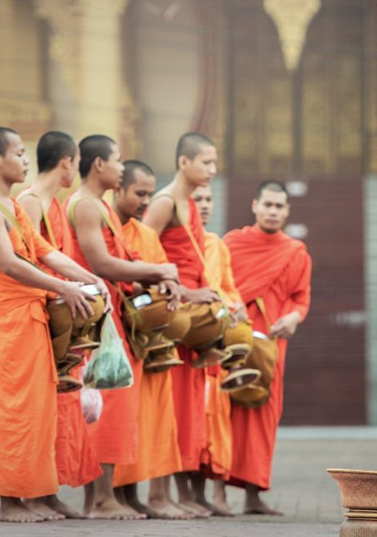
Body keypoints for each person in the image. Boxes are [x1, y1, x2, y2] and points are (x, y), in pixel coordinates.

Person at [0, 127, 108, 523]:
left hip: (32, 318)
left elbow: (47, 253)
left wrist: (92, 281)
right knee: (13, 411)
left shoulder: (11, 205)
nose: (26, 160)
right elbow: (10, 264)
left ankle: (39, 493)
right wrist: (64, 287)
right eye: (20, 153)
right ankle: (10, 502)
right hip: (8, 323)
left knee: (39, 412)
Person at [66, 134, 179, 519]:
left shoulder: (99, 207)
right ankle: (100, 500)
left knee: (111, 406)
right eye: (117, 160)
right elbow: (101, 264)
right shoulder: (84, 205)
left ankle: (101, 497)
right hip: (97, 321)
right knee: (106, 405)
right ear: (98, 164)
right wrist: (158, 270)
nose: (120, 167)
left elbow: (120, 263)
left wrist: (154, 281)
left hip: (110, 316)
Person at [16, 131, 101, 519]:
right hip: (37, 315)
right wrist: (65, 289)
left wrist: (89, 283)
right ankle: (31, 493)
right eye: (76, 160)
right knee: (35, 412)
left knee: (60, 413)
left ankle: (49, 491)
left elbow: (55, 256)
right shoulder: (30, 202)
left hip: (59, 314)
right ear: (67, 162)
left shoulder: (55, 203)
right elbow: (27, 262)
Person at [143, 132, 222, 517]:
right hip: (169, 317)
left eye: (214, 162)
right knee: (164, 408)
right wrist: (187, 295)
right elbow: (140, 255)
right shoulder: (163, 202)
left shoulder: (189, 204)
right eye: (206, 162)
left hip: (190, 323)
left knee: (185, 410)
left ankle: (171, 493)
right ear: (183, 162)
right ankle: (157, 496)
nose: (213, 169)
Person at [224, 180, 312, 515]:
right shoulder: (232, 243)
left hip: (272, 344)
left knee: (264, 414)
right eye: (268, 205)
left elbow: (300, 298)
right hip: (234, 340)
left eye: (279, 206)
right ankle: (217, 493)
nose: (273, 212)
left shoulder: (296, 252)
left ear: (288, 210)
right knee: (226, 410)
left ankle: (252, 495)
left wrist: (294, 318)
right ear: (254, 205)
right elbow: (218, 284)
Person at [111, 160, 192, 520]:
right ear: (118, 189)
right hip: (118, 334)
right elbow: (107, 270)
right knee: (121, 416)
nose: (146, 200)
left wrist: (170, 287)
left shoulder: (144, 234)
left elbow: (161, 269)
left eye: (149, 193)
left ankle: (144, 496)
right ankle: (119, 496)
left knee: (154, 420)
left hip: (150, 339)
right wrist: (150, 280)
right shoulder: (107, 226)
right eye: (140, 193)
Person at [191, 184, 246, 516]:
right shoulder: (176, 240)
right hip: (193, 342)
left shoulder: (217, 244)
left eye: (209, 199)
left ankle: (219, 495)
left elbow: (228, 286)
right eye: (197, 200)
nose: (205, 205)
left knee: (220, 423)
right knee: (194, 421)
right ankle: (193, 494)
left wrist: (235, 304)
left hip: (219, 345)